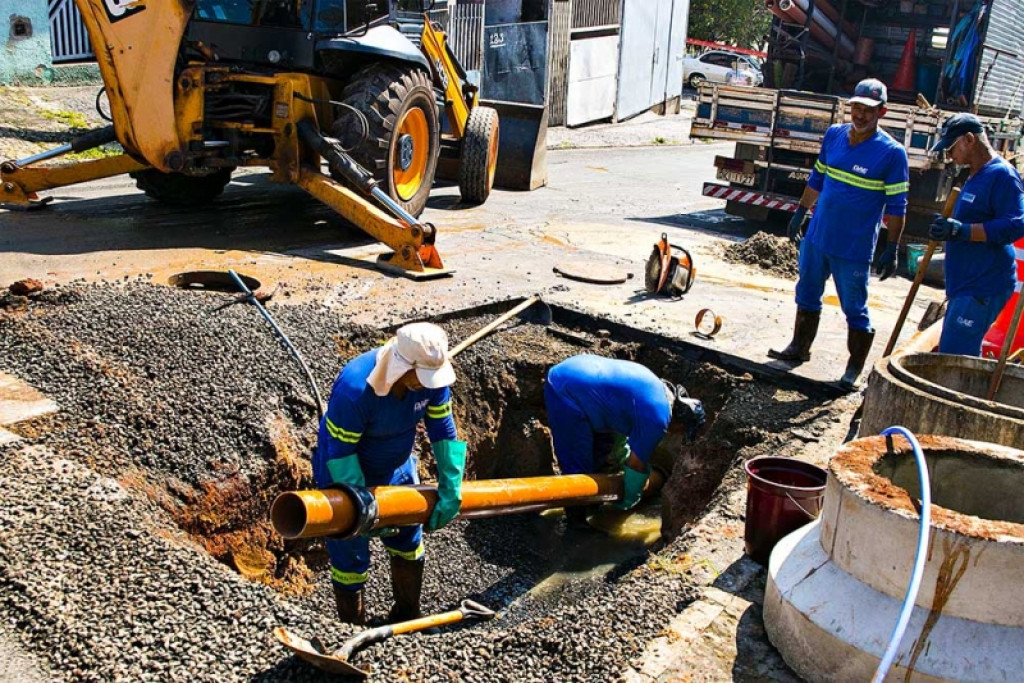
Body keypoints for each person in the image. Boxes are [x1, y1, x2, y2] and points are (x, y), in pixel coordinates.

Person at [312, 322, 466, 625]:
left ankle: (407, 614)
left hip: (397, 468)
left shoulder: (432, 382)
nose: (429, 384)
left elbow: (442, 429)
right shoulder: (356, 388)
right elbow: (341, 454)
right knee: (350, 555)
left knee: (409, 545)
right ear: (401, 366)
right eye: (421, 378)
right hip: (344, 473)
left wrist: (452, 484)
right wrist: (362, 507)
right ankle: (351, 629)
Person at [769, 78, 910, 390]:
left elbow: (898, 206)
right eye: (856, 108)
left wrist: (893, 246)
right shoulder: (833, 135)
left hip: (854, 247)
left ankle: (853, 367)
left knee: (854, 309)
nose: (860, 115)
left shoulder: (892, 154)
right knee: (806, 293)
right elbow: (818, 176)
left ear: (882, 112)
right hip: (818, 237)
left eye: (868, 111)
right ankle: (798, 347)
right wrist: (800, 211)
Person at [543, 355, 705, 528]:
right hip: (566, 391)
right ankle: (575, 523)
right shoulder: (658, 420)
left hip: (579, 375)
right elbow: (636, 465)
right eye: (681, 432)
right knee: (577, 464)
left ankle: (592, 503)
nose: (675, 434)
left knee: (602, 454)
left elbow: (620, 435)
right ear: (680, 423)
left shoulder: (660, 392)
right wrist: (630, 497)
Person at [927, 113, 1024, 355]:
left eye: (951, 148)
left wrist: (962, 230)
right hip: (966, 284)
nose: (949, 156)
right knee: (958, 354)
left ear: (969, 139)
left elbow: (1016, 225)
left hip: (983, 285)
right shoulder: (975, 174)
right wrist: (948, 227)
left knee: (952, 356)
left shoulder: (1002, 175)